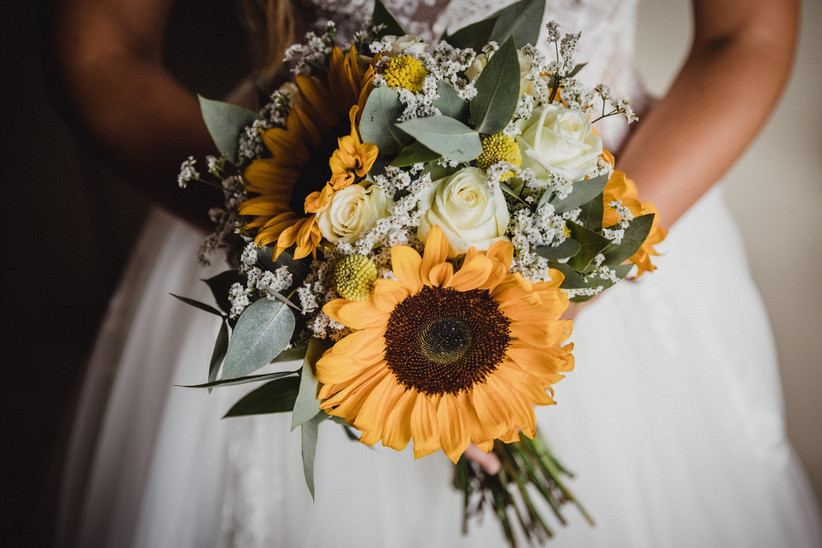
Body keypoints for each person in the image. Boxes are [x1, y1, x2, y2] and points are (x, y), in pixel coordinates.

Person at [52, 0, 822, 546]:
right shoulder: (310, 262)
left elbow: (748, 31)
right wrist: (312, 262)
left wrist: (565, 278)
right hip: (296, 240)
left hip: (618, 227)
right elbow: (99, 48)